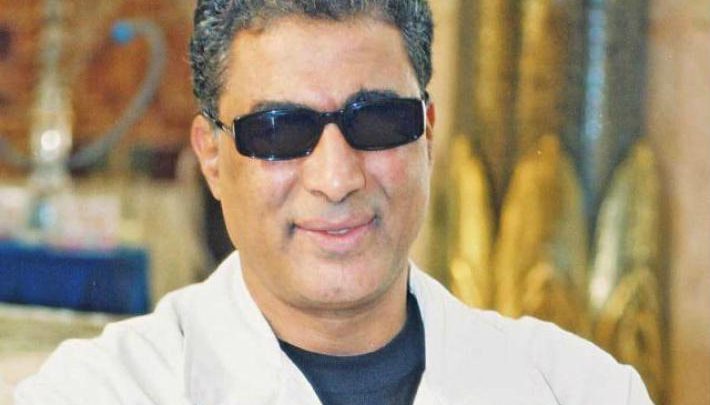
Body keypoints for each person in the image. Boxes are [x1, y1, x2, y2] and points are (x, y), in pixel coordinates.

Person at [15, 1, 654, 404]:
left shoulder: (582, 389)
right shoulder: (100, 391)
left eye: (376, 121)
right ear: (211, 157)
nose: (336, 178)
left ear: (427, 134)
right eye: (279, 131)